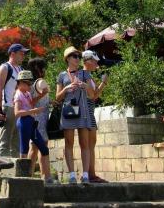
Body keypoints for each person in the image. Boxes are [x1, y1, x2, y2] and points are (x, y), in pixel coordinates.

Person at [55, 47, 106, 184]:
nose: (78, 58)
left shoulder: (85, 74)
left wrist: (84, 85)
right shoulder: (62, 76)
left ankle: (85, 175)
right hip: (69, 110)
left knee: (85, 143)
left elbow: (92, 95)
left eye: (78, 56)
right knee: (69, 143)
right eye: (74, 56)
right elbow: (57, 98)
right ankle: (71, 175)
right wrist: (66, 88)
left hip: (83, 111)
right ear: (68, 59)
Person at [13, 70, 53, 183]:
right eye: (27, 83)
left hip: (31, 121)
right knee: (24, 149)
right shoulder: (18, 94)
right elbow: (17, 113)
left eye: (30, 83)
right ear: (20, 83)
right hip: (24, 121)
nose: (29, 85)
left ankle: (42, 175)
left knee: (43, 148)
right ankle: (23, 177)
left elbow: (31, 102)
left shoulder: (27, 93)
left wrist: (42, 95)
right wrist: (32, 111)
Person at [0, 43, 28, 158]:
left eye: (24, 53)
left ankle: (14, 168)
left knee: (17, 141)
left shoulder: (21, 69)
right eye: (21, 53)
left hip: (19, 109)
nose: (23, 55)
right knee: (5, 139)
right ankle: (1, 168)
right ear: (12, 54)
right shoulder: (4, 67)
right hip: (7, 107)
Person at [81, 50, 109, 183]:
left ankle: (91, 174)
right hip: (86, 112)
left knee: (91, 144)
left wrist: (103, 83)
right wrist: (102, 84)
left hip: (89, 111)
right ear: (87, 61)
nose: (97, 63)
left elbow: (94, 96)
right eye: (94, 60)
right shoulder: (83, 75)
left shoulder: (89, 76)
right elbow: (92, 96)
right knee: (88, 145)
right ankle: (89, 175)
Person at [26, 57, 53, 180]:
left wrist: (50, 101)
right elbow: (32, 102)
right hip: (40, 120)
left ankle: (31, 174)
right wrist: (43, 94)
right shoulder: (41, 82)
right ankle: (44, 176)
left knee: (36, 148)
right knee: (38, 148)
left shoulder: (31, 84)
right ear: (39, 69)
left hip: (37, 119)